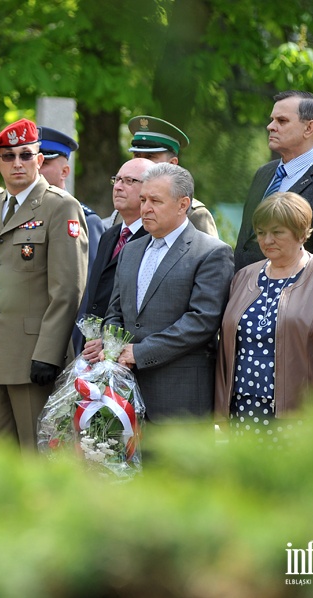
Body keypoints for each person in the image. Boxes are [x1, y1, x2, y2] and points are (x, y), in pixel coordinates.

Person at [0, 118, 88, 449]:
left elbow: (68, 290)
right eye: (9, 156)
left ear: (40, 161)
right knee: (0, 458)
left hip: (35, 358)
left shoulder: (60, 206)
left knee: (38, 453)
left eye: (26, 155)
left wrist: (49, 352)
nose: (18, 163)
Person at [83, 163, 233, 422]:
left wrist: (139, 352)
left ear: (183, 204)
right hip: (124, 390)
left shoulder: (210, 252)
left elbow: (201, 321)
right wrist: (111, 347)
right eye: (143, 199)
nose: (145, 208)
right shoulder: (130, 250)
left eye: (155, 201)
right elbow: (115, 312)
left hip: (179, 395)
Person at [215, 192, 313, 437]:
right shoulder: (243, 277)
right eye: (261, 232)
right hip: (243, 408)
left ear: (301, 232)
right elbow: (226, 350)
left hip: (301, 415)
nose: (267, 240)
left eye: (277, 232)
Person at [235, 90, 313, 274]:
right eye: (272, 119)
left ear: (309, 128)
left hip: (295, 299)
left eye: (282, 121)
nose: (270, 126)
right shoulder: (264, 173)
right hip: (243, 293)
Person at [37, 125, 105, 352]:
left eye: (44, 163)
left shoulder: (85, 219)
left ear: (65, 171)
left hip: (61, 345)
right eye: (33, 161)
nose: (36, 168)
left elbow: (85, 293)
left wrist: (73, 349)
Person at [124, 115, 218, 236]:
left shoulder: (193, 214)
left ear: (172, 163)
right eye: (137, 155)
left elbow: (211, 252)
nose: (141, 163)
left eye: (150, 157)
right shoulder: (126, 207)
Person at [84, 157, 154, 318]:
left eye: (129, 181)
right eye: (117, 180)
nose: (118, 187)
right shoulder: (109, 234)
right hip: (94, 338)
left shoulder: (153, 239)